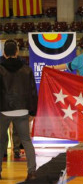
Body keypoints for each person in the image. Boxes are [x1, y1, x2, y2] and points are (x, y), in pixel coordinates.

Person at [0, 39, 38, 181]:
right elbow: (33, 92)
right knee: (26, 141)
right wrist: (32, 112)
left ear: (4, 53)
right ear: (17, 52)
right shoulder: (26, 70)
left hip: (3, 110)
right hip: (22, 111)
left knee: (1, 141)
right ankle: (32, 172)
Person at [0, 55, 23, 159]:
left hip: (10, 100)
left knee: (15, 128)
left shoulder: (20, 62)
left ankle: (16, 149)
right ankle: (5, 150)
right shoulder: (21, 63)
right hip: (9, 100)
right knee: (5, 129)